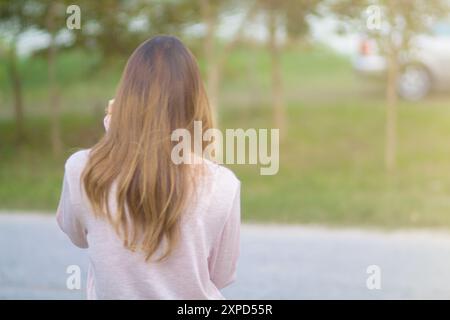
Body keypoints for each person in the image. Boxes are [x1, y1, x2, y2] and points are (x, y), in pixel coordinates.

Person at [56, 35, 241, 299]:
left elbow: (79, 235)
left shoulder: (81, 169)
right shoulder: (222, 184)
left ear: (126, 97)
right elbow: (221, 275)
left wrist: (114, 132)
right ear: (194, 100)